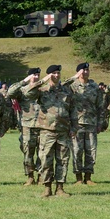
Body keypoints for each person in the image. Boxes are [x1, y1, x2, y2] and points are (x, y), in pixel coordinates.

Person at [24, 65, 77, 197]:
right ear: (48, 75)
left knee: (63, 160)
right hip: (47, 131)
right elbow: (28, 93)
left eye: (58, 73)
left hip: (63, 131)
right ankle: (47, 188)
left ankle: (60, 188)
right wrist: (42, 81)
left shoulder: (66, 90)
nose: (57, 75)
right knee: (46, 160)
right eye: (54, 73)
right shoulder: (42, 90)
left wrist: (74, 127)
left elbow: (73, 109)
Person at [63, 62, 104, 185]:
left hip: (91, 123)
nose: (85, 72)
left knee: (91, 150)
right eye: (83, 70)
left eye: (87, 70)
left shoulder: (94, 86)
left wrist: (100, 122)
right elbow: (61, 86)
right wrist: (74, 77)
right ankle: (78, 178)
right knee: (77, 150)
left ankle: (88, 177)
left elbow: (100, 106)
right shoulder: (72, 86)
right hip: (76, 124)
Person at [7, 68, 43, 186]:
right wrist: (24, 81)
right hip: (27, 126)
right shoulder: (22, 90)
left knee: (42, 153)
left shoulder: (42, 89)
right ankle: (30, 176)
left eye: (38, 75)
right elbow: (10, 93)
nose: (36, 77)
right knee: (28, 152)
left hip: (42, 126)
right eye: (34, 75)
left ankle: (41, 176)